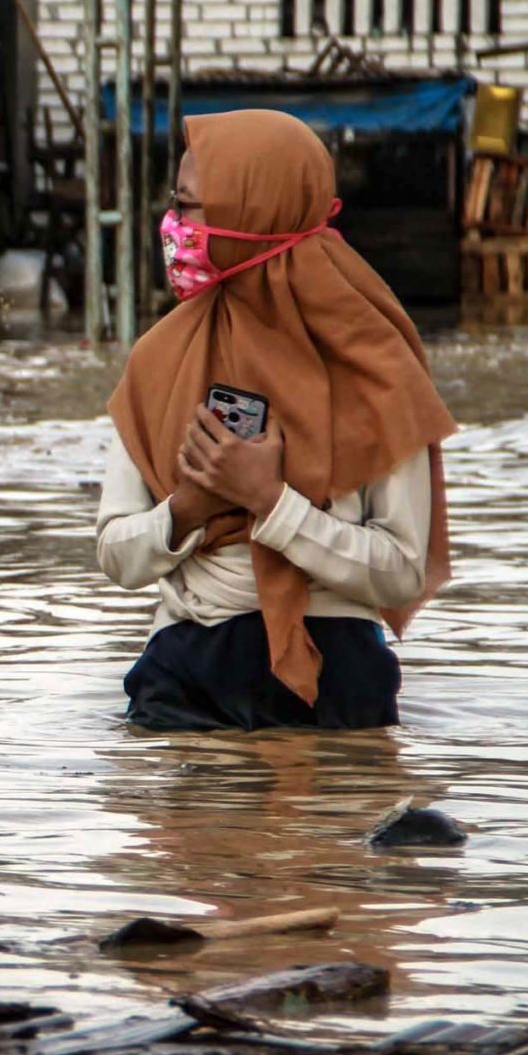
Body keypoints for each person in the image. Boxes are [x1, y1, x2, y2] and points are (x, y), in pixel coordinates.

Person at [96, 110, 455, 732]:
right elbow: (117, 557)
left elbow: (401, 572)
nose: (176, 228)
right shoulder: (158, 360)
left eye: (193, 208)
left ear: (256, 212)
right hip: (187, 675)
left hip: (338, 678)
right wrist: (191, 506)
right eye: (175, 206)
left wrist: (271, 501)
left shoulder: (376, 365)